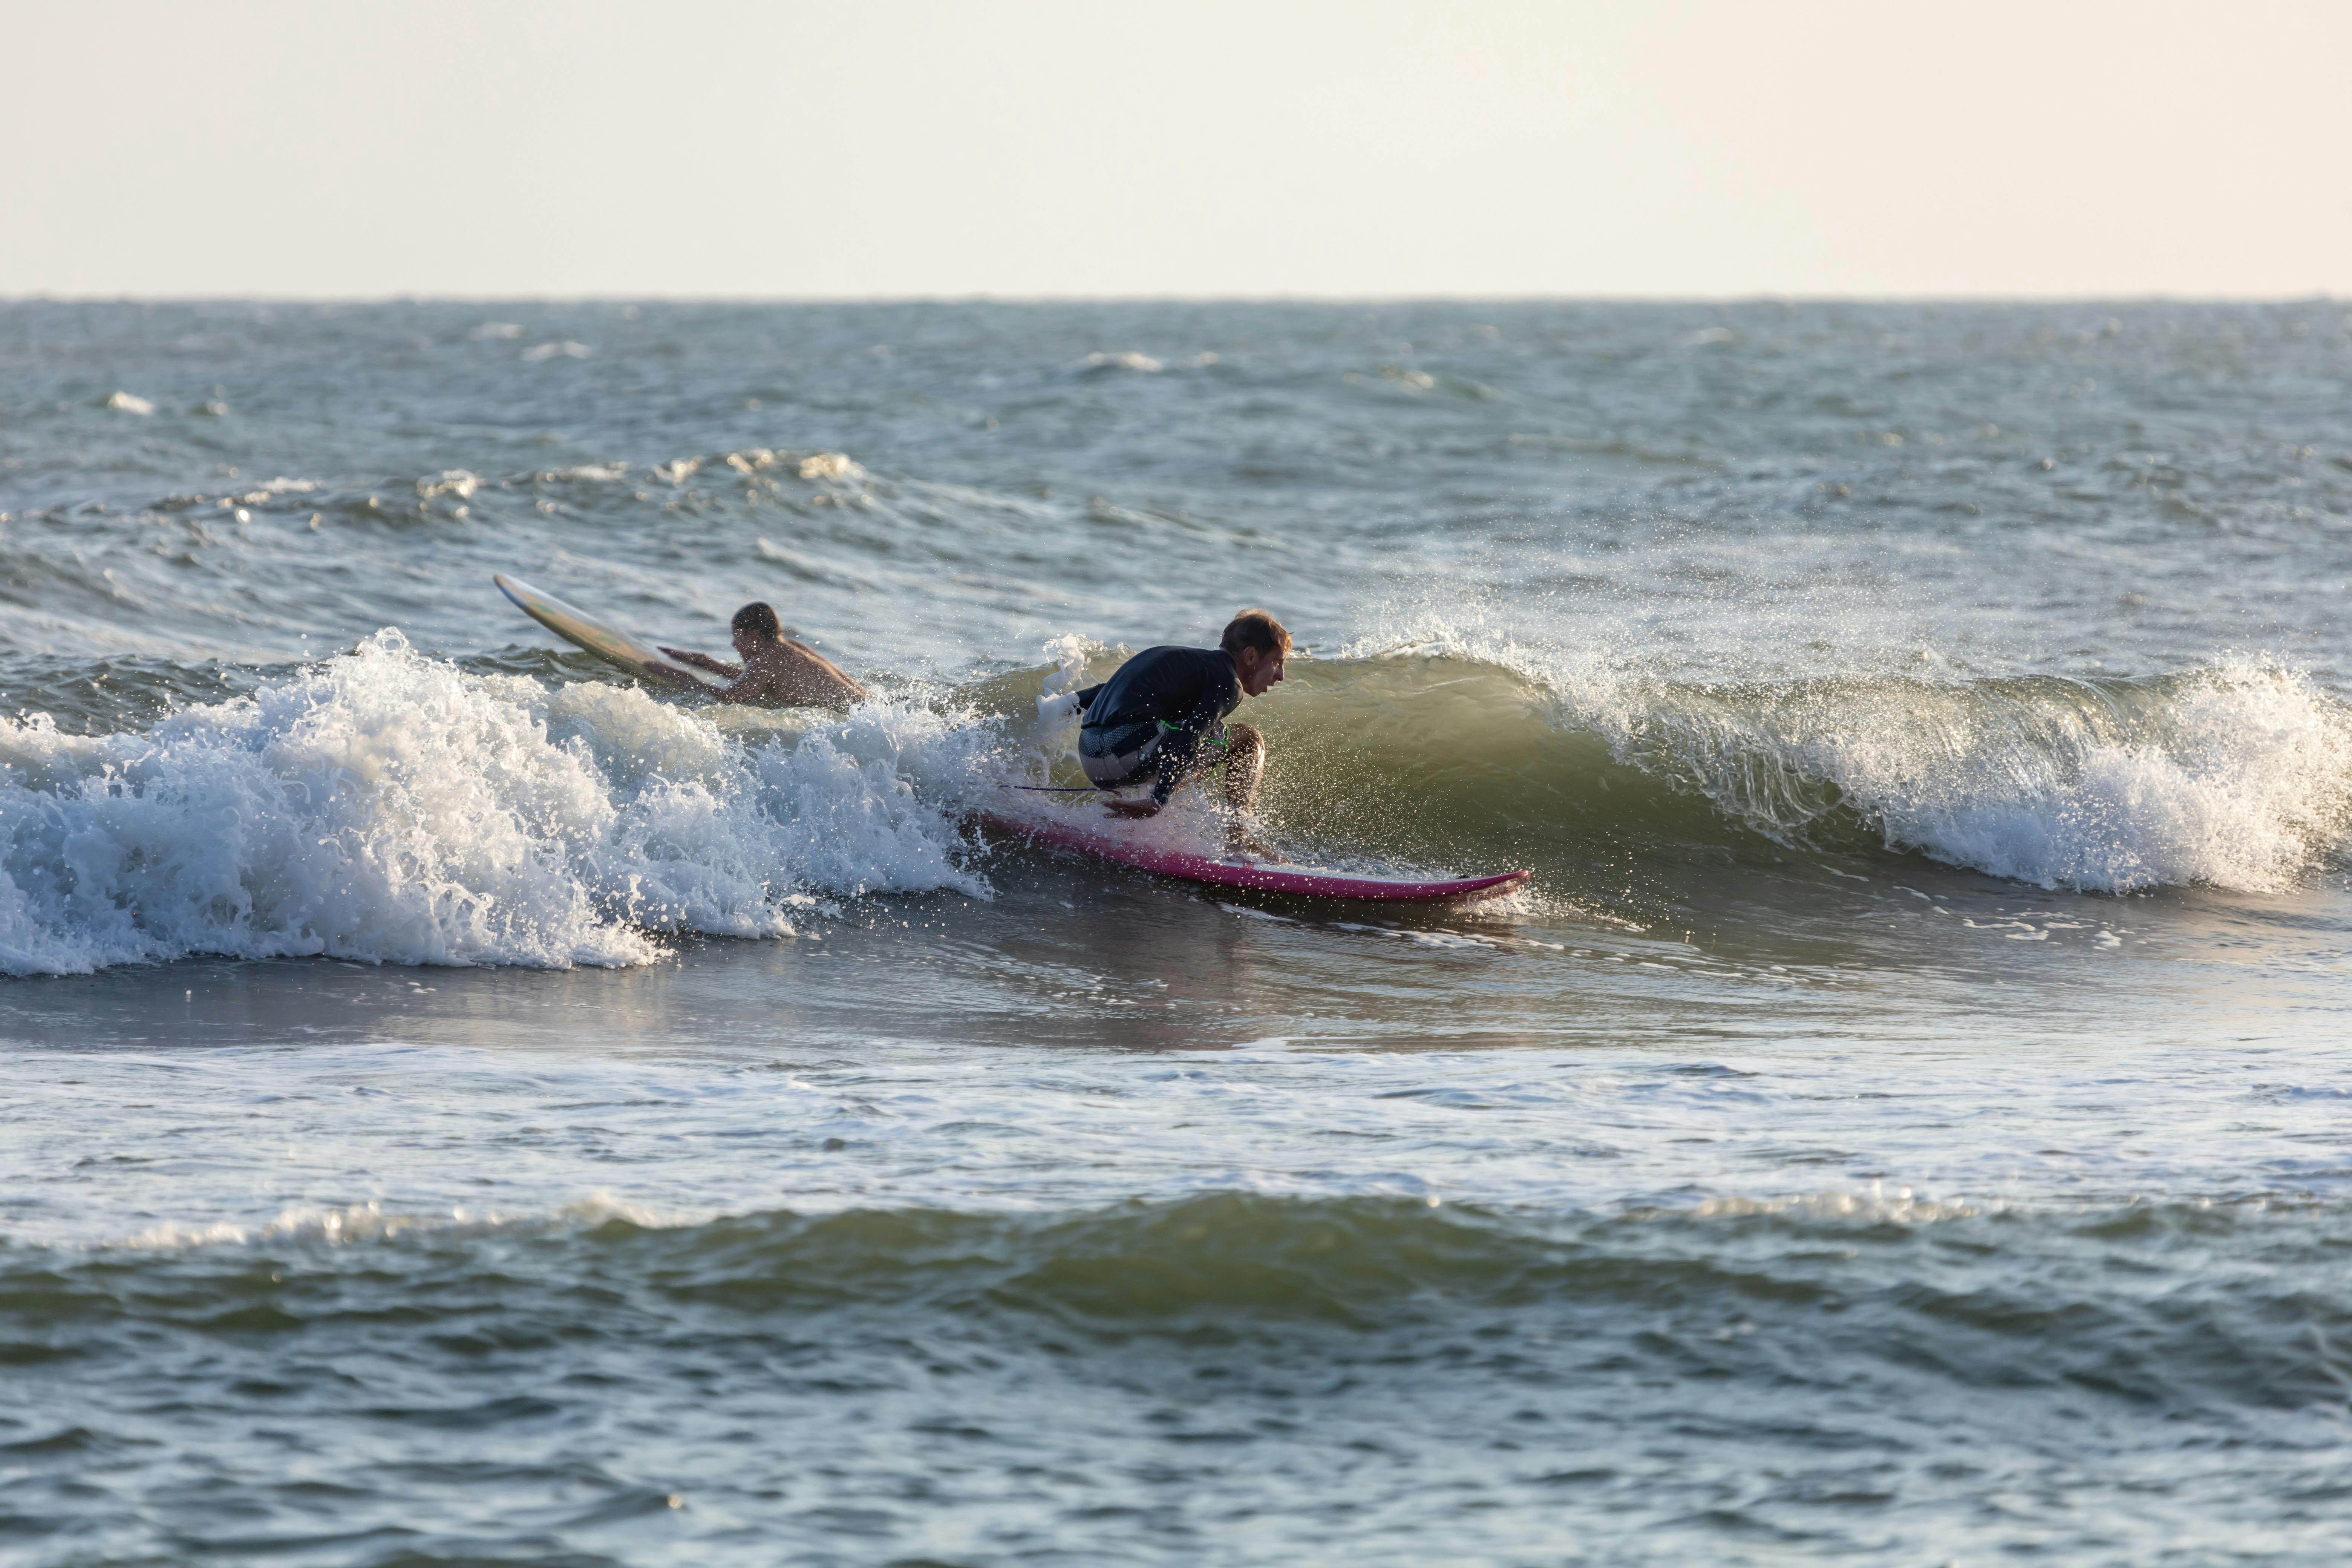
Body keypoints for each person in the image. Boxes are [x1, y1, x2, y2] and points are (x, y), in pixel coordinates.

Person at [1071, 608, 1288, 852]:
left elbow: (1107, 690)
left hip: (1090, 752)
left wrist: (1056, 709)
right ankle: (1238, 840)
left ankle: (1138, 816)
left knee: (1181, 726)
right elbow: (1192, 734)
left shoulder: (1176, 660)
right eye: (1277, 662)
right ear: (1250, 657)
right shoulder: (1229, 683)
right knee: (1249, 739)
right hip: (1123, 753)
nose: (1280, 675)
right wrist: (1159, 800)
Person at [654, 602, 867, 712]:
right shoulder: (789, 647)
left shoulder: (767, 658)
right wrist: (706, 663)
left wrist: (685, 679)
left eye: (737, 637)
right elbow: (757, 679)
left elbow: (732, 697)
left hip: (855, 716)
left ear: (754, 636)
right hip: (872, 708)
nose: (734, 644)